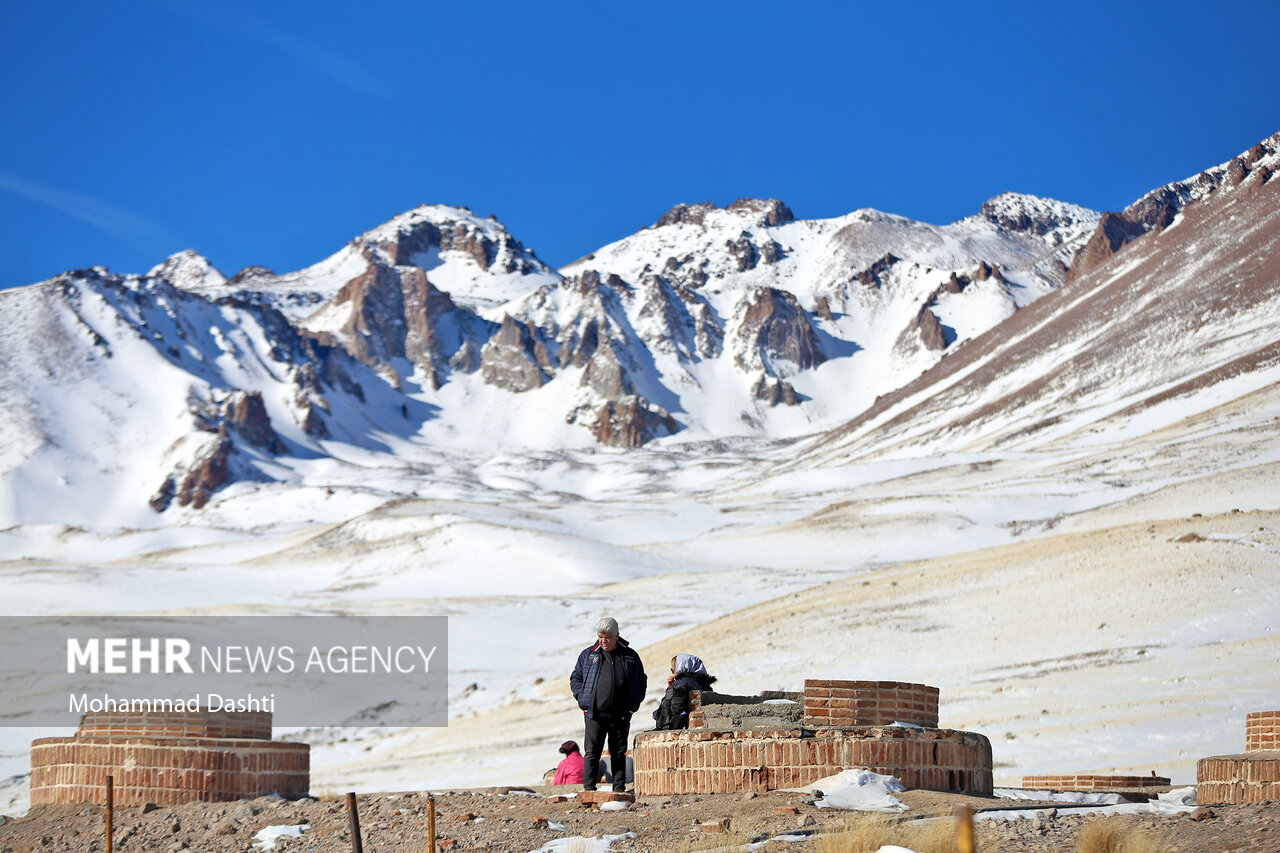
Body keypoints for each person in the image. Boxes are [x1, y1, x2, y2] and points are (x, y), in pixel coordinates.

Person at [569, 616, 647, 792]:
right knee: (592, 753)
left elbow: (641, 680)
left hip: (620, 715)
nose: (604, 641)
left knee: (618, 753)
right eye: (600, 636)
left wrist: (633, 704)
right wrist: (582, 698)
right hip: (594, 714)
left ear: (617, 636)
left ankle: (619, 789)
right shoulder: (588, 655)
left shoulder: (630, 656)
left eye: (608, 637)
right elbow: (576, 678)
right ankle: (589, 790)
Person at [653, 653, 716, 730]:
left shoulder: (681, 684)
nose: (673, 673)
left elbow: (670, 706)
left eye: (673, 669)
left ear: (681, 667)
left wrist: (656, 714)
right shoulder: (705, 685)